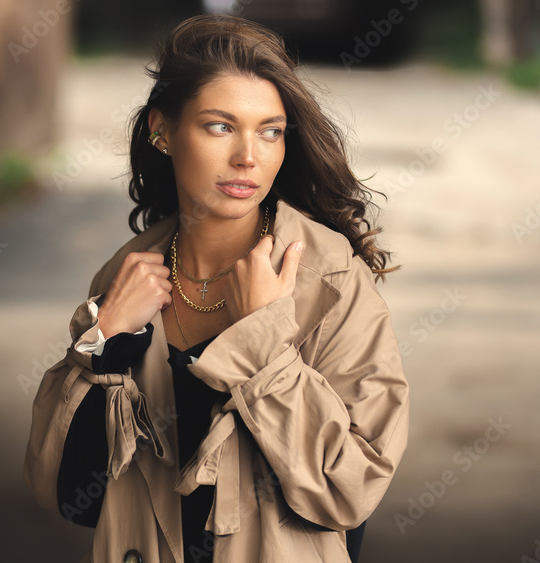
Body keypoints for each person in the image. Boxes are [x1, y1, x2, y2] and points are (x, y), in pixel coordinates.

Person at [24, 14, 409, 563]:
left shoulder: (329, 280)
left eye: (270, 131)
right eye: (220, 127)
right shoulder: (124, 278)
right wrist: (104, 341)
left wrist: (266, 346)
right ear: (162, 131)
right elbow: (59, 488)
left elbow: (350, 489)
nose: (248, 157)